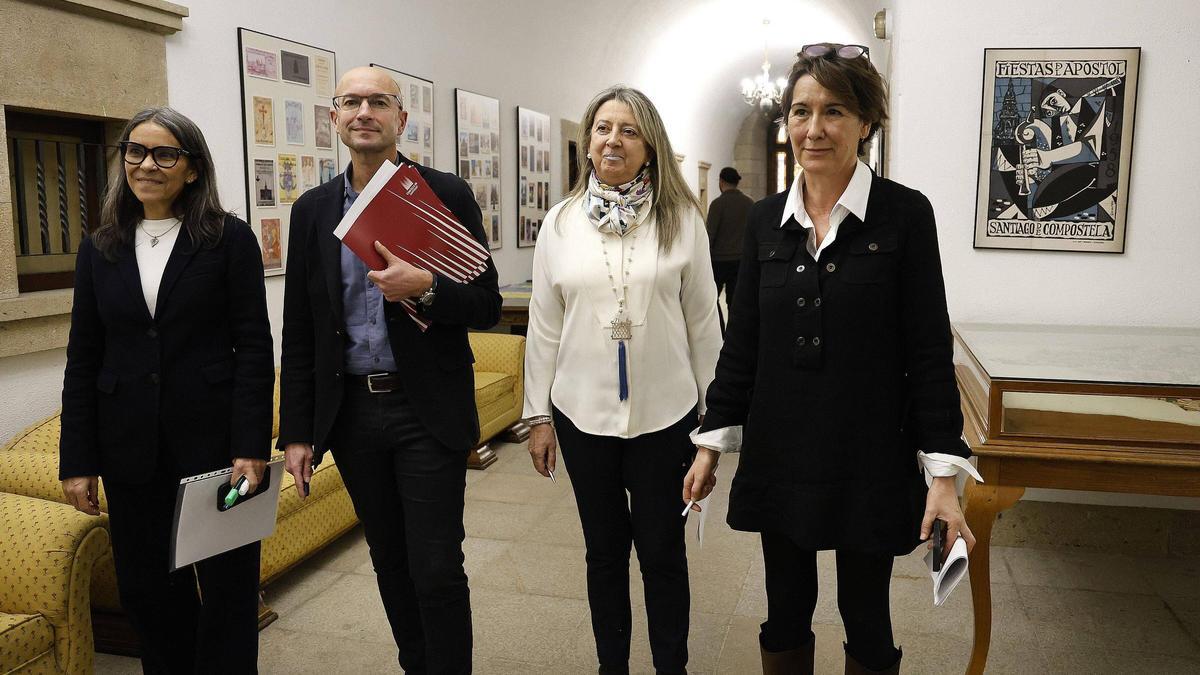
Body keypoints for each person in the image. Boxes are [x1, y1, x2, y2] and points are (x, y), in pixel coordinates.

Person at [688, 44, 983, 674]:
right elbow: (743, 348)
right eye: (800, 112)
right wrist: (711, 443)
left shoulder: (905, 215)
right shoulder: (767, 221)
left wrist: (943, 477)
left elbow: (928, 351)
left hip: (868, 451)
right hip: (781, 448)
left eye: (834, 111)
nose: (813, 129)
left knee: (865, 612)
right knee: (785, 608)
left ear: (866, 123)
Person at [277, 66, 501, 674]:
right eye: (351, 102)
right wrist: (297, 430)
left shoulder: (442, 194)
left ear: (401, 119)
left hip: (423, 409)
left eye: (378, 102)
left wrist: (427, 286)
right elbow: (300, 328)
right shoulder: (314, 211)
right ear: (334, 118)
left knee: (435, 566)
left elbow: (485, 301)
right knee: (390, 562)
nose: (363, 113)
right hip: (351, 414)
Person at [59, 106, 273, 673]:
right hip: (130, 453)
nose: (146, 164)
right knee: (150, 595)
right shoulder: (100, 247)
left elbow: (254, 348)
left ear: (193, 168)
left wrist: (251, 445)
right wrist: (76, 460)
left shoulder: (229, 240)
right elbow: (83, 359)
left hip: (215, 451)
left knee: (227, 594)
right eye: (135, 151)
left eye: (163, 154)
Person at [523, 85, 724, 675]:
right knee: (604, 553)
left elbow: (704, 326)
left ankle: (671, 668)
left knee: (663, 554)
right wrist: (539, 417)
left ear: (650, 147)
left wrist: (715, 430)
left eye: (630, 130)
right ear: (587, 143)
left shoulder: (683, 221)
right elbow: (543, 329)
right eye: (604, 128)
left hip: (668, 416)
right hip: (582, 416)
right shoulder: (559, 225)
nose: (614, 140)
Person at [705, 166, 754, 315]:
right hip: (740, 261)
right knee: (735, 301)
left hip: (718, 261)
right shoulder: (749, 203)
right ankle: (735, 335)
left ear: (721, 181)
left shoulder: (717, 205)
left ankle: (720, 332)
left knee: (711, 300)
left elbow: (710, 234)